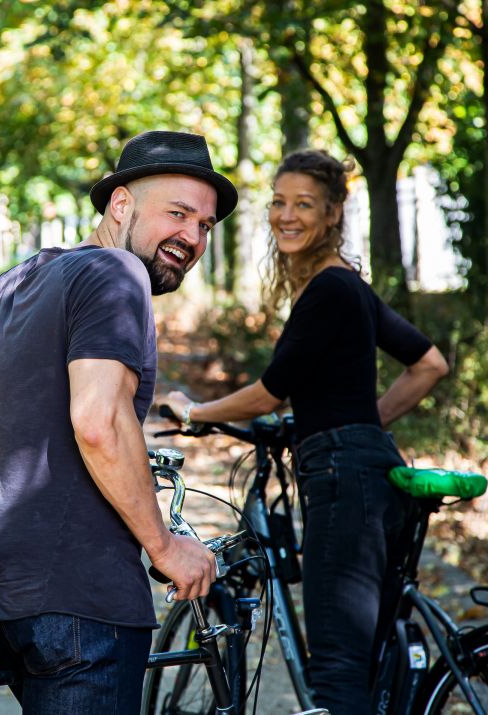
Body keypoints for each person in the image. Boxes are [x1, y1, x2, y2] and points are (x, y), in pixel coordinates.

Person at [0, 131, 236, 714]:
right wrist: (164, 545)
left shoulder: (16, 280)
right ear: (121, 204)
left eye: (205, 225)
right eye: (178, 213)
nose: (192, 237)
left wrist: (38, 432)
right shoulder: (118, 274)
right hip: (80, 597)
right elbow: (98, 422)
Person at [158, 149, 450, 714]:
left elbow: (271, 391)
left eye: (304, 205)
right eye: (278, 203)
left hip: (343, 479)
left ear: (334, 213)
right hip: (370, 469)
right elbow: (430, 363)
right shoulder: (347, 286)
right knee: (363, 661)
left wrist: (195, 410)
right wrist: (366, 422)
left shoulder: (330, 290)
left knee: (337, 670)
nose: (286, 216)